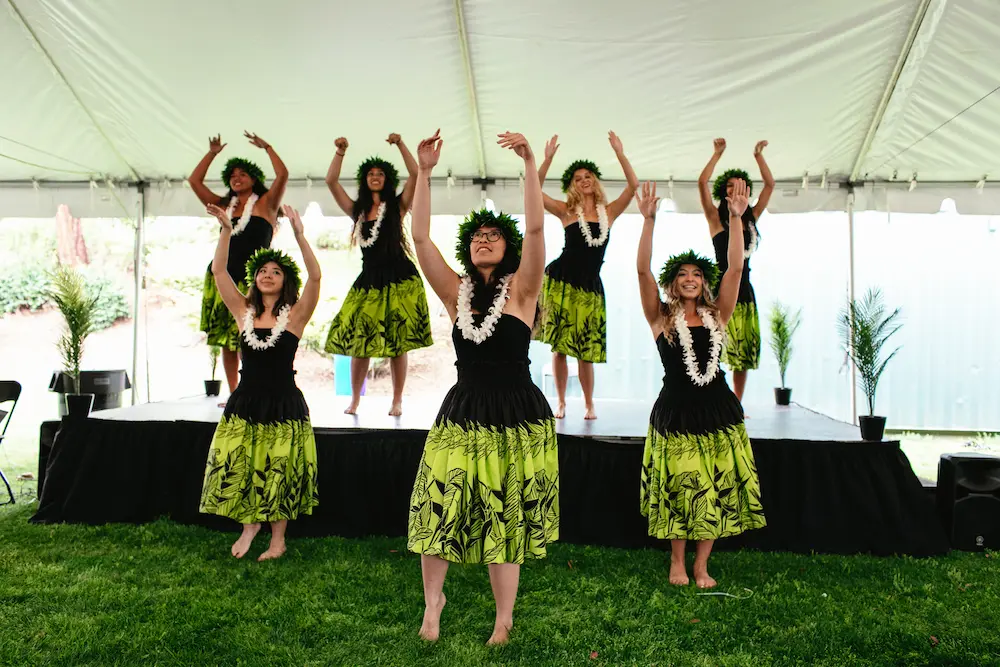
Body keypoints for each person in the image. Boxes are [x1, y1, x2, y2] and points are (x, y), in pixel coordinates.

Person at [406, 130, 558, 645]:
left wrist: (531, 163)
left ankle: (503, 618)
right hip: (464, 409)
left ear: (507, 248)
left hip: (515, 412)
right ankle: (433, 603)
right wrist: (424, 173)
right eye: (476, 237)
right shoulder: (457, 293)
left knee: (503, 517)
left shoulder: (524, 290)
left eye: (494, 235)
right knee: (438, 506)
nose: (484, 240)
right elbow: (420, 240)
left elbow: (535, 228)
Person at [634, 180, 766, 589]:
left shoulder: (718, 313)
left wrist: (736, 218)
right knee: (681, 486)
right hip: (676, 411)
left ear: (704, 282)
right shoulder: (660, 317)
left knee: (713, 486)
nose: (690, 278)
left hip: (717, 409)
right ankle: (677, 560)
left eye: (696, 274)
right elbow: (642, 271)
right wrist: (648, 221)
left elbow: (735, 268)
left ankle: (701, 565)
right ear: (672, 283)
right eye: (682, 274)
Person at [199, 204, 321, 561]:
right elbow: (219, 271)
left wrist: (300, 235)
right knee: (243, 463)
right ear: (254, 279)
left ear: (286, 281)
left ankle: (278, 540)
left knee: (279, 468)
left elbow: (316, 278)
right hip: (246, 401)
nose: (268, 275)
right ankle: (250, 524)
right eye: (262, 271)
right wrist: (226, 230)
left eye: (276, 271)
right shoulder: (243, 312)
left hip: (283, 402)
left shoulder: (296, 315)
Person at [323, 134, 433, 416]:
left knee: (398, 343)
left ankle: (397, 400)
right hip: (369, 279)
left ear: (388, 179)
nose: (375, 177)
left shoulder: (398, 206)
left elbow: (415, 173)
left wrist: (400, 145)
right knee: (360, 342)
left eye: (380, 173)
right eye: (371, 173)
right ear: (364, 179)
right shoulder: (357, 211)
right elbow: (331, 181)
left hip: (399, 278)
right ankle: (355, 400)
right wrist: (340, 152)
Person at [533, 132, 639, 419]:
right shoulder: (566, 211)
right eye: (578, 178)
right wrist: (547, 160)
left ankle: (589, 403)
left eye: (588, 175)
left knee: (585, 350)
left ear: (595, 180)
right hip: (562, 282)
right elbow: (533, 189)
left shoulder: (609, 212)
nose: (584, 180)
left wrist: (620, 153)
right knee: (559, 348)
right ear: (572, 185)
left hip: (590, 286)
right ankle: (561, 402)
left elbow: (633, 186)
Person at [189, 133, 288, 399]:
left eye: (243, 174)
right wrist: (212, 153)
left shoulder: (267, 203)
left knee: (252, 335)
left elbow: (282, 175)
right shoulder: (225, 206)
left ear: (254, 179)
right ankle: (235, 394)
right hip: (224, 276)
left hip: (255, 280)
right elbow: (194, 181)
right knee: (228, 339)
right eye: (232, 175)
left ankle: (255, 388)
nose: (237, 178)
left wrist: (268, 147)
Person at [697, 138, 774, 405]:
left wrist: (758, 156)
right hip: (718, 290)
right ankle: (710, 399)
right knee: (712, 345)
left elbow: (770, 186)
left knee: (742, 351)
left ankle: (736, 404)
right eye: (729, 185)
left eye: (739, 184)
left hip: (744, 291)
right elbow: (701, 183)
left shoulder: (750, 218)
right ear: (722, 190)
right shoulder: (715, 218)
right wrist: (716, 154)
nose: (733, 188)